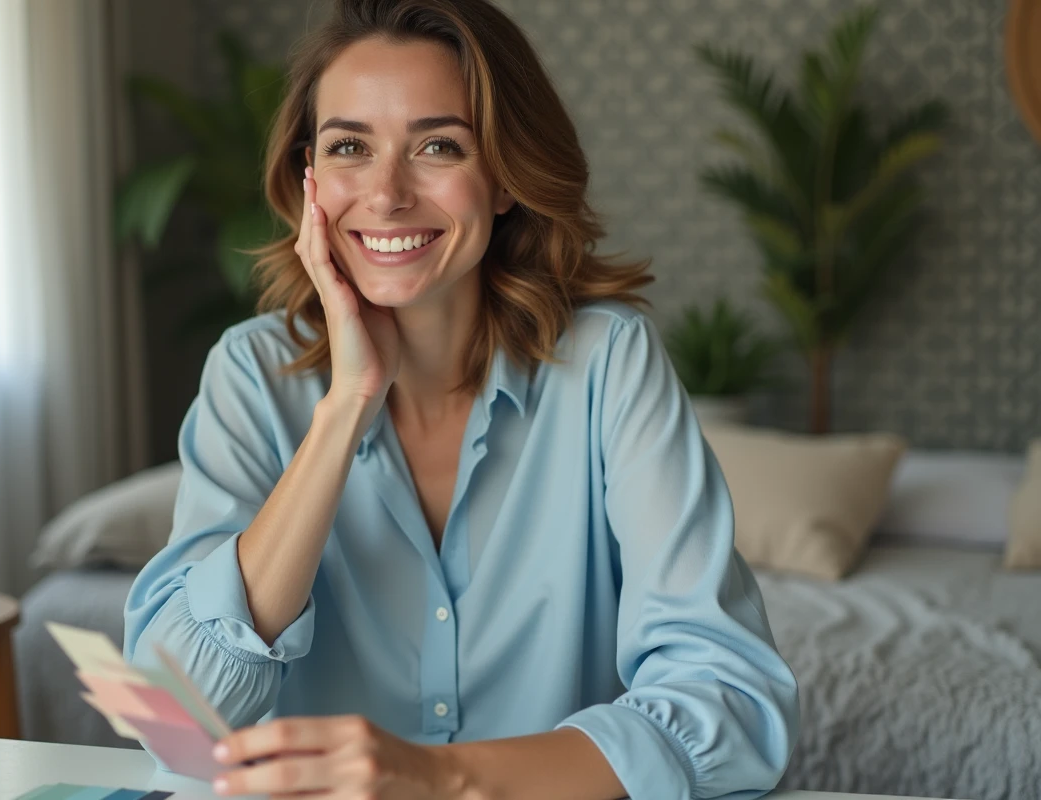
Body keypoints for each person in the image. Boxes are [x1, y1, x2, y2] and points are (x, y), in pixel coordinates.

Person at [123, 0, 800, 797]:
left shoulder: (608, 364)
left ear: (505, 176)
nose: (385, 194)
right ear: (310, 181)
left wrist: (439, 776)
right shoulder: (250, 375)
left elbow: (733, 704)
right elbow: (171, 718)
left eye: (438, 146)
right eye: (350, 147)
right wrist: (345, 408)